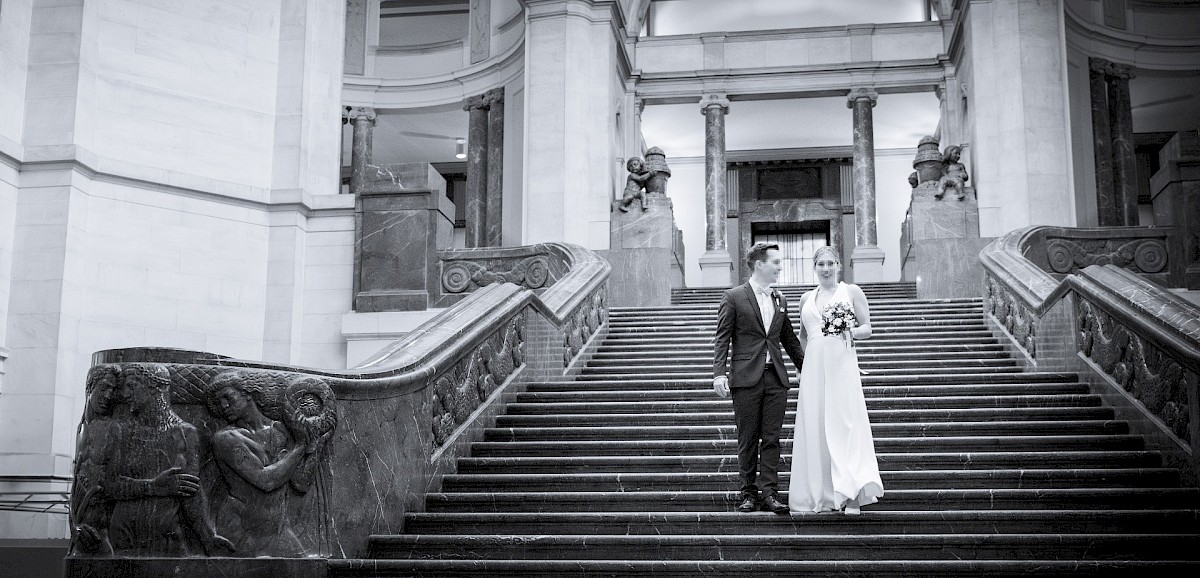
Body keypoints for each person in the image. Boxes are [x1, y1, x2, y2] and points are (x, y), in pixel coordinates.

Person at [788, 246, 884, 515]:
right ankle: (821, 494)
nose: (826, 268)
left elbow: (868, 328)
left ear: (839, 265)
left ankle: (851, 493)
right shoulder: (806, 298)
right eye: (821, 264)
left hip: (841, 365)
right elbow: (804, 336)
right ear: (815, 267)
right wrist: (800, 366)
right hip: (813, 370)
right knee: (817, 426)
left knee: (845, 426)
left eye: (831, 263)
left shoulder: (851, 291)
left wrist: (849, 330)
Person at [712, 242, 805, 514]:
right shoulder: (734, 297)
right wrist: (719, 373)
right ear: (759, 264)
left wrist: (810, 368)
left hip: (776, 378)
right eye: (775, 261)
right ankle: (748, 494)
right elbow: (722, 338)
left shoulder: (780, 299)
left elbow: (789, 340)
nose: (779, 266)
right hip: (745, 378)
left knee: (772, 438)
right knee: (748, 438)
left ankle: (770, 493)